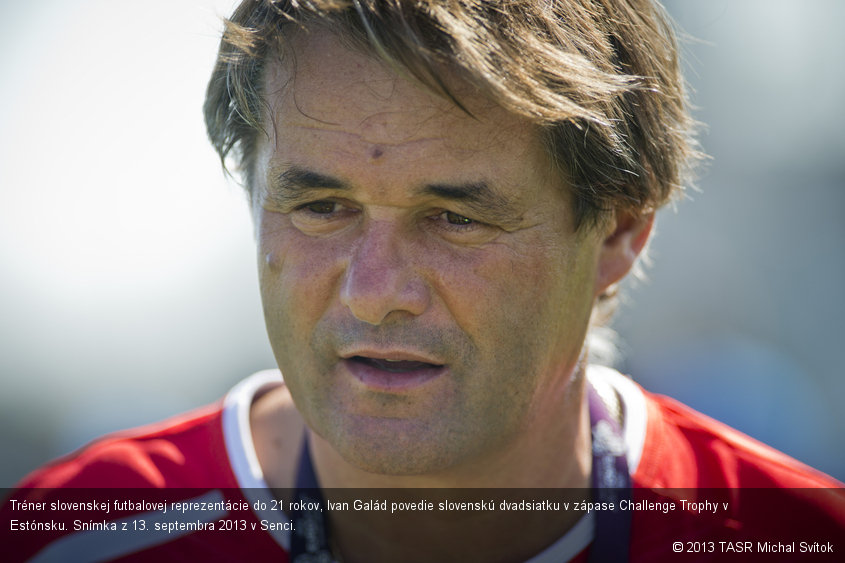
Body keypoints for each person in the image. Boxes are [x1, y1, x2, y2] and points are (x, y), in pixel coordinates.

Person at [3, 0, 843, 561]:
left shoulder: (792, 535)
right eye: (321, 206)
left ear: (619, 232)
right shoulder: (66, 536)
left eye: (454, 218)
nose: (374, 290)